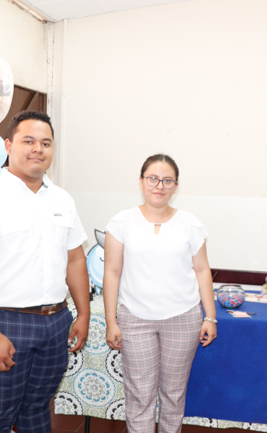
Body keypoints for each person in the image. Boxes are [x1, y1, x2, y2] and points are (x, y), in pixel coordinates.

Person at [0, 110, 90, 433]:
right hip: (5, 324)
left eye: (46, 143)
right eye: (29, 141)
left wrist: (81, 314)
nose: (37, 149)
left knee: (37, 409)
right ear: (9, 146)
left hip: (56, 323)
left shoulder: (62, 200)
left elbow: (75, 260)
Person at [103, 153, 217, 433]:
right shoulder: (121, 222)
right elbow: (112, 272)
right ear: (141, 182)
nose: (159, 185)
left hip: (183, 318)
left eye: (168, 180)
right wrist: (111, 321)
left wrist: (210, 317)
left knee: (173, 393)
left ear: (176, 186)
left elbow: (202, 270)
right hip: (135, 318)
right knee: (139, 393)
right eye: (153, 178)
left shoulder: (189, 223)